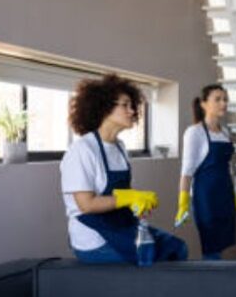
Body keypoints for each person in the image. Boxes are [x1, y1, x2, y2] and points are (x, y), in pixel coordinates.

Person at [60, 74, 187, 264]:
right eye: (125, 105)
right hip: (93, 238)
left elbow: (120, 196)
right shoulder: (82, 150)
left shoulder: (120, 147)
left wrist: (137, 204)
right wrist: (129, 197)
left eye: (132, 105)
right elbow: (86, 205)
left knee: (177, 248)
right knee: (153, 259)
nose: (132, 111)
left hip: (121, 225)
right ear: (104, 107)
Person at [175, 84, 236, 260]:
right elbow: (187, 172)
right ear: (203, 104)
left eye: (225, 99)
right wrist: (183, 202)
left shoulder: (225, 132)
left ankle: (216, 276)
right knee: (211, 248)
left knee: (221, 246)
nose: (223, 103)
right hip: (205, 198)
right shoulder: (194, 132)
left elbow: (227, 169)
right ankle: (211, 277)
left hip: (225, 195)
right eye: (217, 99)